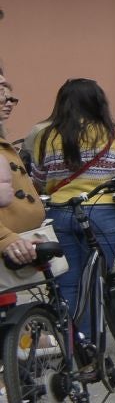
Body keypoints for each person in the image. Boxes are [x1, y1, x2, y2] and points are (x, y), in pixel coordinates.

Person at [26, 79, 115, 344]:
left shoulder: (46, 135)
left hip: (60, 212)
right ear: (99, 102)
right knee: (98, 280)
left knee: (67, 281)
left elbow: (39, 179)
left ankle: (73, 343)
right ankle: (92, 343)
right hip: (104, 212)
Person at [0, 68, 49, 275]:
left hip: (19, 246)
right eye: (2, 93)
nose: (8, 101)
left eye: (10, 95)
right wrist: (4, 238)